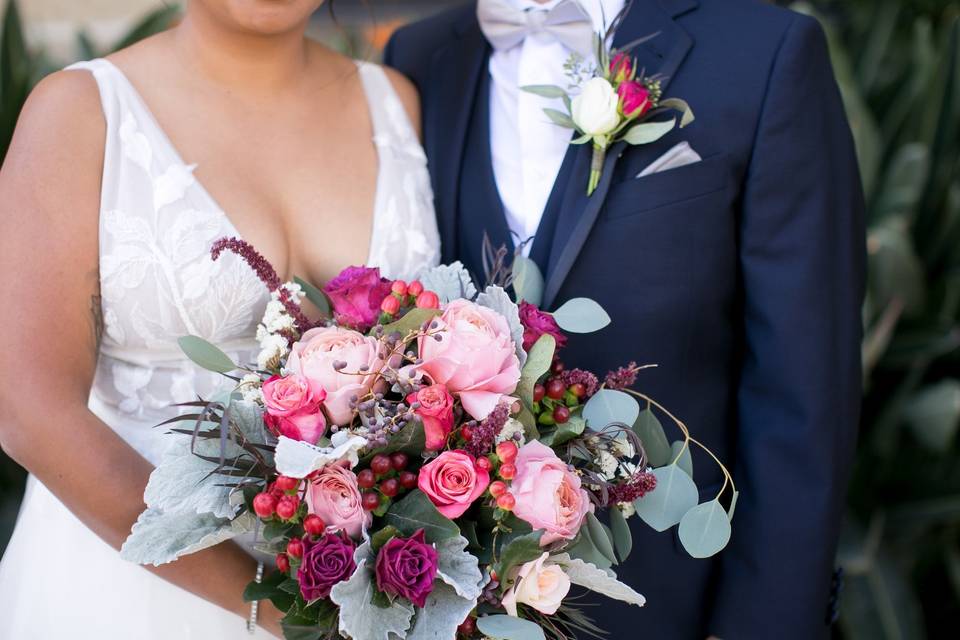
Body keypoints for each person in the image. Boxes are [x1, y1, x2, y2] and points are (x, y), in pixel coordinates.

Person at [385, 0, 865, 637]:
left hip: (676, 602)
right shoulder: (417, 60)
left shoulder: (766, 52)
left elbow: (805, 391)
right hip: (455, 606)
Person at [0, 0, 438, 637]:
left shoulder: (394, 100)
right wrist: (274, 608)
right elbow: (30, 413)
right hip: (126, 591)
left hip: (359, 599)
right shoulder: (80, 110)